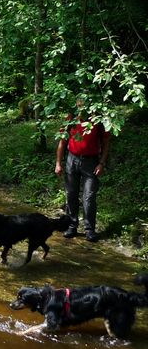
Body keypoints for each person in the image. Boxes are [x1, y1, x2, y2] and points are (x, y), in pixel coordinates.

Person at [55, 97, 111, 242]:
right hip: (72, 159)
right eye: (79, 104)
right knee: (71, 194)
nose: (81, 106)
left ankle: (89, 230)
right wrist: (58, 163)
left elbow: (106, 143)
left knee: (89, 197)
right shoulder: (71, 119)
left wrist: (102, 163)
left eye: (84, 104)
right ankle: (72, 226)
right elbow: (62, 141)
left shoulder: (98, 120)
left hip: (91, 162)